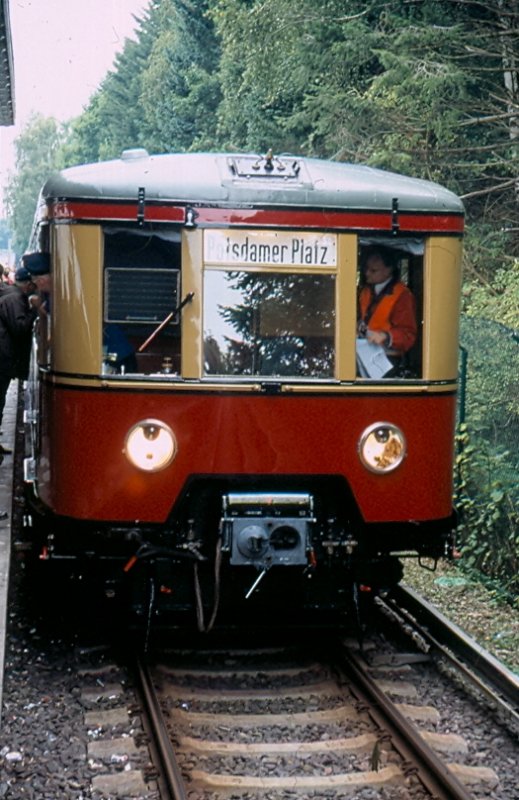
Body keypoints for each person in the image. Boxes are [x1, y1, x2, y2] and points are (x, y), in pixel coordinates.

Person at [0, 266, 39, 454]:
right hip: (3, 359)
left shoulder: (11, 295)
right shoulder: (15, 298)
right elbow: (20, 327)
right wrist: (35, 311)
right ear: (28, 284)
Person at [357, 247, 417, 358]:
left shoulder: (403, 296)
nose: (367, 273)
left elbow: (408, 335)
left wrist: (386, 336)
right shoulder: (365, 291)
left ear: (388, 271)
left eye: (373, 270)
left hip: (388, 359)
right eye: (366, 269)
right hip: (364, 352)